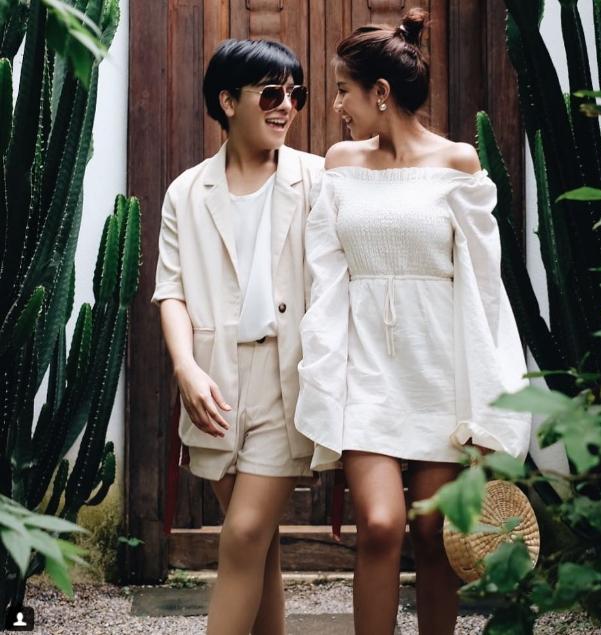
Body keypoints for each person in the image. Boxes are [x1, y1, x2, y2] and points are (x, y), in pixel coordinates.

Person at [294, 8, 531, 635]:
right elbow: (326, 279)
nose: (336, 105)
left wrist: (488, 401)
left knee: (432, 533)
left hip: (440, 374)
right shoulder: (340, 163)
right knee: (379, 525)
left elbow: (483, 291)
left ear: (380, 92)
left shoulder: (459, 163)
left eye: (343, 90)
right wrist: (325, 373)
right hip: (366, 370)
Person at [151, 39, 322, 635]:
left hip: (284, 379)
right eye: (271, 94)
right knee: (257, 543)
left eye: (295, 95)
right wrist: (186, 369)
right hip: (214, 383)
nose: (286, 107)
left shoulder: (317, 179)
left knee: (245, 533)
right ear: (227, 102)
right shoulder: (186, 191)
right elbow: (171, 291)